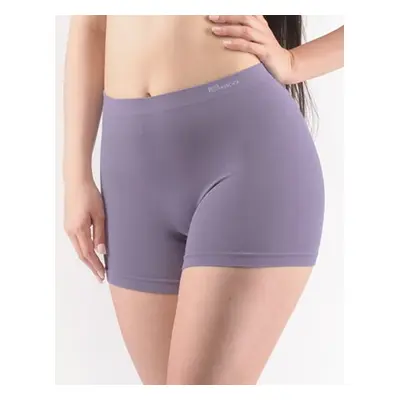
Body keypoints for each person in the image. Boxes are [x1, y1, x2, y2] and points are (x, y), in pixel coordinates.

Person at [63, 15, 344, 385]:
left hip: (245, 159)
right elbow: (91, 25)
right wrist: (75, 177)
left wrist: (294, 63)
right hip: (129, 173)